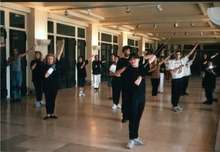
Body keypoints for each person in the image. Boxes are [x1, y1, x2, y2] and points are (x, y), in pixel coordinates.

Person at [124, 52, 156, 149]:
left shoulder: (142, 67)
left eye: (135, 59)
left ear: (138, 59)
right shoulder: (128, 70)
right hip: (132, 97)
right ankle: (131, 139)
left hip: (141, 97)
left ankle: (136, 136)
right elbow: (126, 86)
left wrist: (141, 76)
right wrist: (137, 80)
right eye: (131, 59)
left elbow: (153, 56)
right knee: (132, 118)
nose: (132, 61)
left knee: (138, 118)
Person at [166, 43, 199, 112]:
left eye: (179, 54)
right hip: (175, 80)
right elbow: (171, 71)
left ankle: (176, 104)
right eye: (177, 54)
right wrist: (178, 67)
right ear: (175, 55)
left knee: (179, 93)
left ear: (180, 55)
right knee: (174, 93)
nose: (178, 55)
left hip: (181, 79)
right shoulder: (171, 62)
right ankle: (174, 105)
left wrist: (195, 46)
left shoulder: (183, 60)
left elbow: (190, 54)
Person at [42, 40, 64, 120]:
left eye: (51, 59)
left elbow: (59, 54)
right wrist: (50, 70)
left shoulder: (56, 65)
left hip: (54, 86)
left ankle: (52, 113)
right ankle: (48, 114)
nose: (50, 60)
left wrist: (61, 47)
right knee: (48, 100)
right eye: (49, 59)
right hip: (47, 86)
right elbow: (45, 76)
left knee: (53, 100)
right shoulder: (44, 66)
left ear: (53, 59)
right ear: (47, 59)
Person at [114, 46, 131, 123]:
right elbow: (117, 72)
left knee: (131, 101)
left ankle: (130, 115)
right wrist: (125, 67)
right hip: (124, 82)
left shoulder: (132, 60)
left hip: (132, 83)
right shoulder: (121, 61)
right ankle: (124, 116)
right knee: (125, 100)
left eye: (129, 51)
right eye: (127, 51)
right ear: (124, 52)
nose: (128, 52)